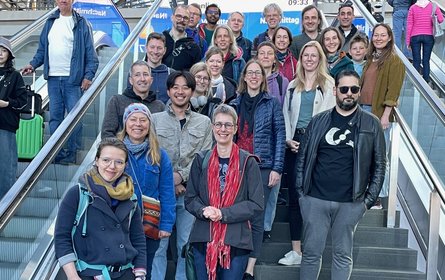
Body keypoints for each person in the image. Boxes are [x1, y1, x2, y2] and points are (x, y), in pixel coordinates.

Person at [297, 69, 386, 279]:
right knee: (310, 254)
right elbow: (302, 159)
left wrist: (366, 202)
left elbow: (380, 165)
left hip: (350, 203)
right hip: (315, 199)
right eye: (344, 88)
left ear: (359, 91)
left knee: (342, 255)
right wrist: (302, 195)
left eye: (354, 89)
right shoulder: (318, 121)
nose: (349, 93)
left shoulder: (371, 124)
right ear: (335, 90)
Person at [185, 104, 264, 280]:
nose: (223, 129)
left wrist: (223, 213)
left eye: (228, 125)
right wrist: (204, 210)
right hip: (204, 238)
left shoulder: (248, 162)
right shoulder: (201, 160)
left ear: (235, 128)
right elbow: (190, 199)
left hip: (236, 241)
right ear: (212, 127)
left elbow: (256, 204)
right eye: (219, 124)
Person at [55, 137, 147, 280]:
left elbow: (138, 239)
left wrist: (140, 274)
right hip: (89, 274)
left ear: (125, 165)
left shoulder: (131, 197)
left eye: (119, 162)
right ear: (97, 160)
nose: (112, 166)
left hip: (126, 274)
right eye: (106, 160)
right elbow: (62, 237)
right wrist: (72, 276)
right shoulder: (78, 193)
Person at [151, 71, 213, 280]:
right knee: (159, 245)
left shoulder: (204, 123)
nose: (180, 91)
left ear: (192, 91)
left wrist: (181, 177)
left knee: (185, 245)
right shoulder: (154, 120)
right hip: (159, 195)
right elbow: (151, 154)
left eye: (185, 87)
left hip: (190, 195)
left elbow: (204, 158)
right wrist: (171, 180)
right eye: (175, 87)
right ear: (168, 91)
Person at [279, 41, 336, 266]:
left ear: (320, 58)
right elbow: (285, 115)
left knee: (314, 200)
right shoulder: (293, 85)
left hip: (319, 148)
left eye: (314, 55)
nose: (309, 59)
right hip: (294, 145)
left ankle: (313, 251)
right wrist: (287, 140)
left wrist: (314, 144)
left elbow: (331, 118)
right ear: (300, 59)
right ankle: (296, 251)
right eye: (306, 55)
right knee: (295, 199)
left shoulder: (329, 84)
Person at [21, 0, 99, 164]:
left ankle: (72, 152)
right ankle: (56, 152)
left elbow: (91, 55)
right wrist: (33, 64)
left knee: (73, 118)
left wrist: (88, 76)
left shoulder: (81, 22)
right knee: (55, 118)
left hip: (73, 79)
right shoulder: (50, 22)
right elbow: (42, 50)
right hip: (53, 79)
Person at [230, 60, 286, 280]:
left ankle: (249, 268)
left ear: (263, 78)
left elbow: (280, 136)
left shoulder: (271, 103)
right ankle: (235, 259)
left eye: (258, 73)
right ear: (244, 77)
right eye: (250, 73)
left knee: (257, 218)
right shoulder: (234, 104)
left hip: (263, 167)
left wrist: (277, 168)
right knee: (235, 214)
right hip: (237, 167)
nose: (253, 76)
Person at [117, 103, 176, 280]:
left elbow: (167, 191)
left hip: (148, 224)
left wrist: (166, 224)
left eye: (143, 120)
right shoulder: (115, 150)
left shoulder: (159, 155)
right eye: (133, 119)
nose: (138, 124)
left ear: (149, 124)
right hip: (118, 223)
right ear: (125, 123)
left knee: (144, 271)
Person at [361, 23, 405, 208]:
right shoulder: (370, 60)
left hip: (379, 114)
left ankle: (378, 196)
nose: (378, 38)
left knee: (379, 158)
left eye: (382, 35)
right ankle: (363, 192)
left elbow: (393, 91)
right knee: (363, 155)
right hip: (362, 111)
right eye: (375, 35)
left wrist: (386, 115)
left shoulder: (394, 61)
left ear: (389, 38)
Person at [101, 60, 165, 138]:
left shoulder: (159, 106)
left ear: (151, 80)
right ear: (131, 80)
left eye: (145, 74)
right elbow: (107, 133)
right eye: (137, 75)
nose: (142, 79)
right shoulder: (117, 101)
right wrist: (119, 149)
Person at [0, 37, 27, 198]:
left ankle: (5, 204)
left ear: (9, 54)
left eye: (3, 51)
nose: (0, 54)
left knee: (6, 168)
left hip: (5, 126)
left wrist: (7, 103)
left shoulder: (15, 76)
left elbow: (22, 102)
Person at [406, 0, 444, 83]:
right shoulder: (433, 6)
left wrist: (408, 42)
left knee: (416, 60)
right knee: (426, 60)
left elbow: (409, 26)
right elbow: (441, 20)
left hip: (415, 36)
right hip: (429, 36)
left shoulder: (412, 8)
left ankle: (415, 82)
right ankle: (426, 80)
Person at [162, 4, 202, 71]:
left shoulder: (194, 48)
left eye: (185, 18)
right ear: (172, 17)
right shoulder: (160, 40)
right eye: (178, 16)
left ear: (189, 21)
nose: (182, 20)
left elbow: (196, 74)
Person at [144, 32, 171, 104]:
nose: (155, 51)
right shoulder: (136, 73)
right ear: (146, 48)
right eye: (152, 47)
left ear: (164, 50)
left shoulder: (172, 74)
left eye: (159, 48)